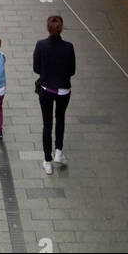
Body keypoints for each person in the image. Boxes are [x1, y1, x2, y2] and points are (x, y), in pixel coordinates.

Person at [33, 13, 76, 174]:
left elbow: (36, 68)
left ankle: (47, 161)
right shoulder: (69, 47)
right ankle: (58, 151)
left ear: (48, 28)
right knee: (60, 119)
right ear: (61, 29)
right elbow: (72, 70)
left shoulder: (41, 45)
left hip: (46, 89)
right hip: (63, 90)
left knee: (47, 124)